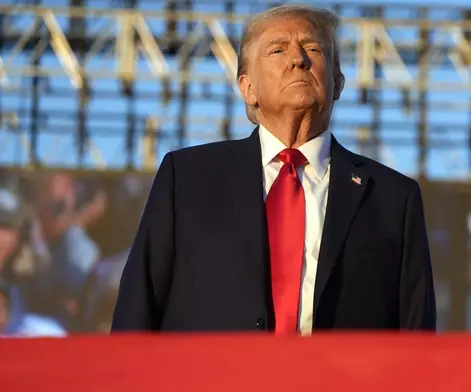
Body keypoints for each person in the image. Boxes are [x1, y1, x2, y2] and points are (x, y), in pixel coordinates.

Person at [111, 4, 436, 334]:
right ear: (247, 88)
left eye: (312, 48)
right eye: (278, 50)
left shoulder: (392, 198)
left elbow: (415, 334)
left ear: (338, 82)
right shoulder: (187, 178)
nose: (299, 60)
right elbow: (137, 312)